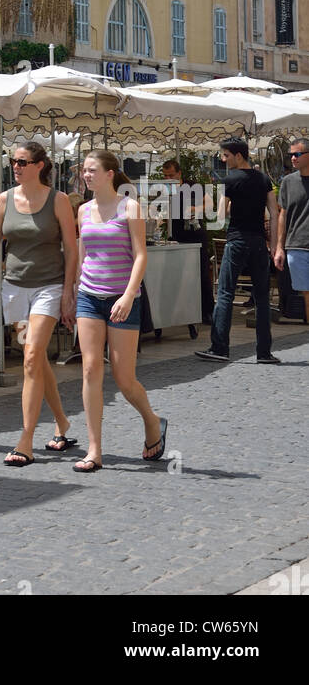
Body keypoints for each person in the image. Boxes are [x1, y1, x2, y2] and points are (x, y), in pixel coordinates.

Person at [0, 143, 78, 466]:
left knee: (30, 356)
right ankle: (62, 422)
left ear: (40, 165)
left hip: (48, 286)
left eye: (22, 162)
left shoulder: (57, 201)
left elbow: (71, 250)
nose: (15, 166)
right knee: (37, 358)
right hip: (14, 287)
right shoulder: (4, 200)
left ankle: (25, 440)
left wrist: (69, 290)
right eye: (12, 161)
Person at [73, 150, 167, 472]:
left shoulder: (130, 207)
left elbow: (141, 256)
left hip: (123, 298)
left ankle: (152, 421)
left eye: (92, 170)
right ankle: (94, 449)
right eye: (84, 170)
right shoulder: (83, 211)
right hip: (89, 296)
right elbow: (83, 254)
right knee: (89, 370)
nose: (86, 175)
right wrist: (73, 293)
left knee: (124, 379)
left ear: (110, 174)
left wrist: (128, 295)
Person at [196, 139, 280, 365]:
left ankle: (219, 348)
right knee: (262, 298)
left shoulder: (229, 180)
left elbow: (221, 215)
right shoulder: (264, 180)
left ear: (239, 156)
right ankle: (264, 353)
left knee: (224, 293)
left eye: (226, 155)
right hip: (259, 243)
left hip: (237, 240)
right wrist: (273, 246)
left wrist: (230, 207)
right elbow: (273, 214)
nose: (223, 160)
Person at [161, 159, 214, 336]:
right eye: (165, 176)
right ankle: (180, 312)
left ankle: (207, 311)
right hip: (176, 237)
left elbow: (210, 205)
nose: (168, 179)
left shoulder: (193, 186)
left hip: (196, 234)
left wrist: (195, 208)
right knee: (177, 276)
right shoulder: (164, 191)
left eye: (171, 175)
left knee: (202, 274)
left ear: (179, 174)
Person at [273, 139, 309, 324]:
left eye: (297, 154)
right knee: (306, 294)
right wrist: (279, 247)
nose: (293, 158)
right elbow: (282, 215)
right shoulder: (287, 182)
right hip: (297, 246)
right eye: (291, 155)